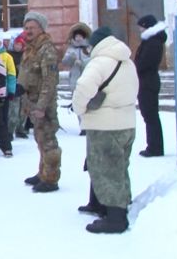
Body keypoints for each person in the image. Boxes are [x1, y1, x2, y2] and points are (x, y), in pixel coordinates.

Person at [72, 26, 139, 234]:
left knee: (106, 169)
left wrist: (79, 109)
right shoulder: (127, 61)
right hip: (127, 122)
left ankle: (115, 219)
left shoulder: (99, 62)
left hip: (104, 125)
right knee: (119, 167)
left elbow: (83, 88)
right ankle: (106, 204)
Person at [18, 11, 62, 193]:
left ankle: (51, 179)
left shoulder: (47, 50)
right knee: (40, 139)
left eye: (32, 27)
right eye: (26, 27)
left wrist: (42, 106)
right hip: (32, 102)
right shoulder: (31, 48)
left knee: (48, 140)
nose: (28, 31)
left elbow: (49, 81)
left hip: (43, 104)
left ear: (41, 29)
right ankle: (43, 172)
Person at [135, 15, 167, 157]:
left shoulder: (152, 42)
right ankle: (154, 146)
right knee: (149, 115)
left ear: (146, 26)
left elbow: (144, 63)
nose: (139, 30)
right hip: (147, 80)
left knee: (150, 115)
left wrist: (135, 68)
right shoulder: (152, 41)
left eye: (141, 27)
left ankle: (155, 148)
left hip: (148, 82)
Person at [61, 22, 93, 136]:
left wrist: (83, 62)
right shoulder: (71, 49)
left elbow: (94, 61)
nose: (78, 38)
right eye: (76, 36)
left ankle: (90, 125)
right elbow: (64, 62)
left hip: (88, 79)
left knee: (89, 103)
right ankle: (82, 126)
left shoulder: (89, 48)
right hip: (75, 80)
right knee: (78, 103)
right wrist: (71, 59)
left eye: (80, 36)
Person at [0, 31, 16, 153]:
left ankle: (4, 140)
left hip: (3, 91)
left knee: (3, 117)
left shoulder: (7, 57)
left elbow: (11, 75)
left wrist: (11, 90)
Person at [7, 33, 28, 139]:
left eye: (20, 45)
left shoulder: (26, 55)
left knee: (23, 109)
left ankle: (20, 129)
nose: (18, 46)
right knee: (13, 110)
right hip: (13, 83)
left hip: (24, 83)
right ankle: (10, 131)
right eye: (17, 44)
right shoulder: (9, 55)